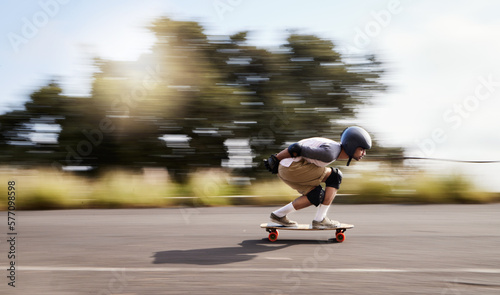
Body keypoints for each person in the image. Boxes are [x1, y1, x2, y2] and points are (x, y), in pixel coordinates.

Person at [263, 126, 372, 229]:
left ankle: (278, 215)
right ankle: (320, 220)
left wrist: (277, 162)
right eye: (362, 149)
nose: (364, 153)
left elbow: (297, 149)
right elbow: (295, 148)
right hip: (292, 168)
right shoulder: (329, 152)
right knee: (335, 176)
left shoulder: (333, 150)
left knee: (316, 195)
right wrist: (275, 159)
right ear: (352, 145)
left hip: (287, 169)